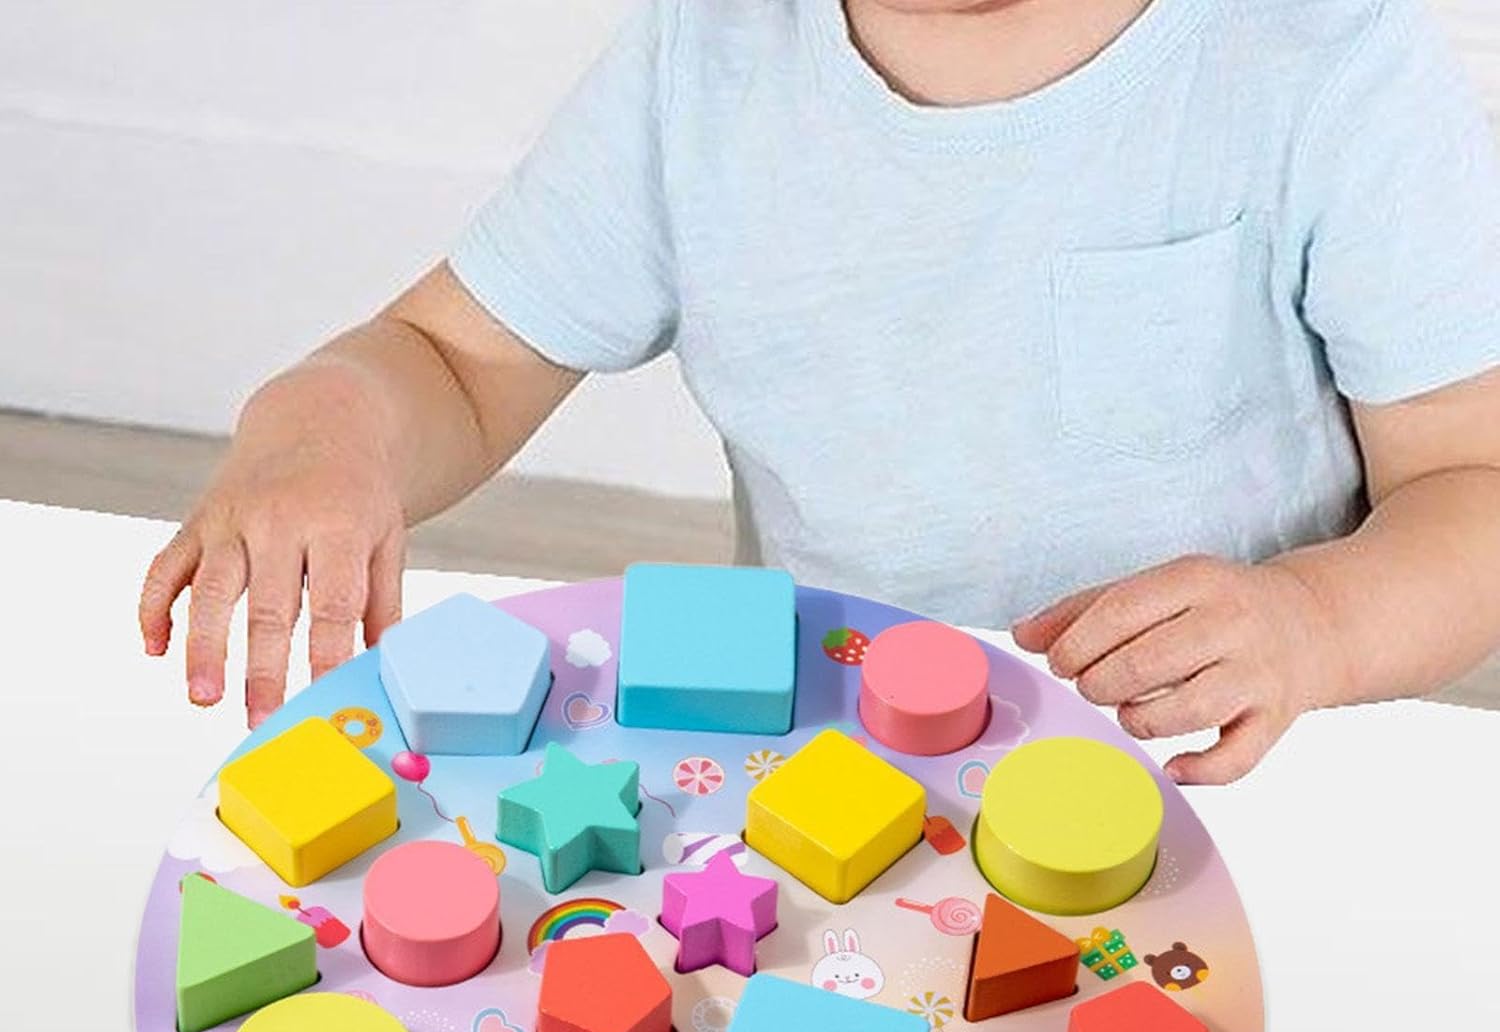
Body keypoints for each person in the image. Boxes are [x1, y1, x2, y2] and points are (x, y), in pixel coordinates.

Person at [138, 0, 1500, 782]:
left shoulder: (1328, 64)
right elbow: (454, 360)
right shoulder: (706, 63)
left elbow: (1472, 485)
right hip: (841, 774)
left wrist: (1314, 624)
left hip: (1230, 772)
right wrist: (322, 429)